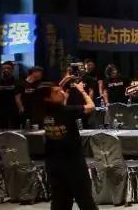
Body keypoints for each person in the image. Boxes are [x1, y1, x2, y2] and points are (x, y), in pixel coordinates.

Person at [39, 78, 97, 210]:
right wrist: (82, 91)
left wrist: (62, 83)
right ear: (47, 98)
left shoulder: (41, 112)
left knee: (60, 201)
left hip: (53, 164)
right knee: (85, 199)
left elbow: (52, 95)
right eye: (56, 92)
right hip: (73, 164)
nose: (61, 92)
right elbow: (91, 106)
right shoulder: (66, 111)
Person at [0, 61, 21, 129]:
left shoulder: (17, 81)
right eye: (4, 68)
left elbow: (18, 97)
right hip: (0, 108)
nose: (6, 70)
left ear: (12, 69)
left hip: (13, 108)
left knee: (15, 128)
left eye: (8, 68)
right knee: (2, 128)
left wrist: (20, 108)